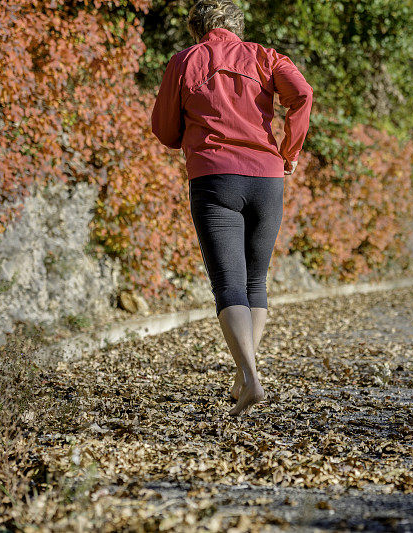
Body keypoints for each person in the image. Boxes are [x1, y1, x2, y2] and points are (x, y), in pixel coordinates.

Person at [151, 0, 314, 416]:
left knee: (228, 284)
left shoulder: (185, 61)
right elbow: (303, 94)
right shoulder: (266, 56)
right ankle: (245, 375)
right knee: (256, 280)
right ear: (236, 24)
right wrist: (289, 149)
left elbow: (164, 129)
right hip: (267, 177)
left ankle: (251, 377)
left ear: (196, 27)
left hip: (214, 177)